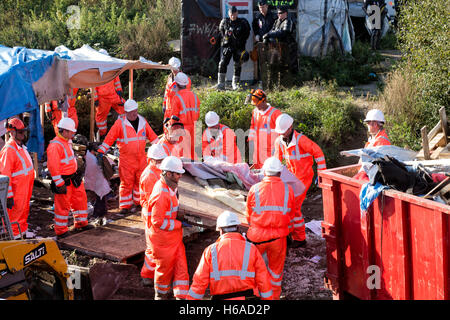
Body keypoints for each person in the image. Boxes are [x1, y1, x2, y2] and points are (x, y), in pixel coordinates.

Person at [187, 210, 273, 300]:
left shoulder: (210, 251)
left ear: (220, 230)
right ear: (238, 228)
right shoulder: (251, 249)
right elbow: (263, 278)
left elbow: (199, 282)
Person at [245, 157, 295, 299]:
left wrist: (255, 226)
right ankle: (272, 297)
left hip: (257, 237)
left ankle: (254, 294)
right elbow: (291, 214)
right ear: (280, 173)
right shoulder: (288, 190)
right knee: (275, 272)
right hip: (278, 239)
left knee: (253, 268)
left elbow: (248, 214)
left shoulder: (255, 189)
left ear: (265, 172)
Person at [274, 114, 327, 247]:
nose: (282, 134)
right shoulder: (279, 141)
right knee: (287, 205)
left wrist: (322, 173)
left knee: (294, 207)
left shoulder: (301, 140)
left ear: (291, 127)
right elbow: (277, 161)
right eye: (280, 132)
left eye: (284, 131)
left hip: (304, 178)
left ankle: (300, 238)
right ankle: (290, 233)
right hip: (292, 177)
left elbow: (318, 153)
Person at [97, 99, 159, 215]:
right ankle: (125, 206)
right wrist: (101, 151)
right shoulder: (120, 124)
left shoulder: (142, 121)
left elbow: (153, 137)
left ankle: (139, 202)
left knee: (140, 182)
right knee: (126, 183)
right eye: (131, 112)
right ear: (126, 112)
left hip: (141, 158)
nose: (134, 113)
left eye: (135, 110)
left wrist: (161, 150)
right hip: (126, 160)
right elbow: (109, 138)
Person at [147, 156, 189, 300]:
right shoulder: (161, 194)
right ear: (168, 174)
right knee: (164, 272)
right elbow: (157, 222)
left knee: (181, 267)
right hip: (163, 241)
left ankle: (181, 297)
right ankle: (161, 295)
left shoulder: (170, 187)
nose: (180, 175)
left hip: (173, 238)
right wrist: (179, 224)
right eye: (178, 173)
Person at [47, 118, 91, 239]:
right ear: (65, 131)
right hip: (64, 180)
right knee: (63, 205)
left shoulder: (66, 142)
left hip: (73, 177)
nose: (73, 134)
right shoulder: (55, 145)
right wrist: (59, 183)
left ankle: (81, 223)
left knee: (80, 199)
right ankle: (61, 231)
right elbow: (53, 166)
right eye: (71, 132)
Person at [0, 118, 34, 239]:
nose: (23, 134)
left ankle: (22, 234)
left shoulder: (20, 147)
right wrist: (8, 196)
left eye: (23, 131)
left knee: (23, 212)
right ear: (12, 132)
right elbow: (5, 174)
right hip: (16, 191)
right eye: (20, 132)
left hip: (23, 189)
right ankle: (15, 238)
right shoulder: (9, 150)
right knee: (15, 215)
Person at [139, 144, 167, 286]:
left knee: (156, 244)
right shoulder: (149, 175)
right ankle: (147, 275)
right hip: (151, 213)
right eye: (158, 160)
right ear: (150, 159)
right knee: (152, 246)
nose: (161, 162)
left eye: (162, 159)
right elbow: (154, 199)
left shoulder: (157, 170)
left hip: (154, 212)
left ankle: (152, 272)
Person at [165, 72, 200, 159]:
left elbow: (173, 116)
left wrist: (169, 127)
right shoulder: (195, 96)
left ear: (176, 84)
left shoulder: (177, 97)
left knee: (183, 155)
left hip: (182, 128)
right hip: (195, 126)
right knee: (194, 153)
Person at [262, 6, 298, 86]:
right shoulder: (277, 21)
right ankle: (276, 86)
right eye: (278, 13)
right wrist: (266, 38)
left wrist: (269, 34)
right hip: (279, 48)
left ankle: (293, 86)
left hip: (289, 48)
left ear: (285, 13)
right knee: (275, 67)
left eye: (280, 13)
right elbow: (272, 30)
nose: (278, 15)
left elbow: (283, 33)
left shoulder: (288, 21)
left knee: (290, 68)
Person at [217, 6, 251, 90]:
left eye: (234, 14)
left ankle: (235, 84)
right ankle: (221, 84)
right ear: (229, 14)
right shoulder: (225, 22)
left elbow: (247, 34)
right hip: (228, 46)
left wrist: (238, 38)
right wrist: (226, 36)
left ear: (237, 13)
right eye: (231, 14)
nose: (233, 16)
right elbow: (221, 34)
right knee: (222, 63)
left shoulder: (242, 22)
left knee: (238, 64)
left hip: (238, 47)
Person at [94, 49, 125, 138]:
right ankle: (103, 135)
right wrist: (96, 99)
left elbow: (116, 80)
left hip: (113, 95)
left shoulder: (111, 67)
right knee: (101, 118)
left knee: (125, 108)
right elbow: (93, 86)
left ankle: (126, 129)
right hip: (102, 98)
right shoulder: (95, 70)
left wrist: (119, 90)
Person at [247, 89, 282, 168]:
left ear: (264, 101)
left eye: (258, 104)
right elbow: (252, 126)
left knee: (269, 172)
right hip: (257, 150)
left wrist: (278, 150)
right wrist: (251, 140)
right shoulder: (255, 112)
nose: (256, 106)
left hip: (270, 151)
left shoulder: (275, 113)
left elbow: (282, 133)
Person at [353, 109, 391, 181]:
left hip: (370, 176)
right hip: (365, 173)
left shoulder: (381, 141)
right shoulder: (373, 139)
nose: (367, 125)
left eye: (368, 123)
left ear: (375, 124)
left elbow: (376, 166)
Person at [252, 0, 276, 87]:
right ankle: (260, 80)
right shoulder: (258, 17)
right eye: (260, 8)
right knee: (260, 62)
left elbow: (276, 28)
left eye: (263, 7)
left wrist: (270, 35)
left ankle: (271, 81)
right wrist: (257, 34)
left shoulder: (273, 16)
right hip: (261, 42)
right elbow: (254, 26)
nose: (261, 9)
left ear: (267, 6)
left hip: (271, 42)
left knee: (270, 61)